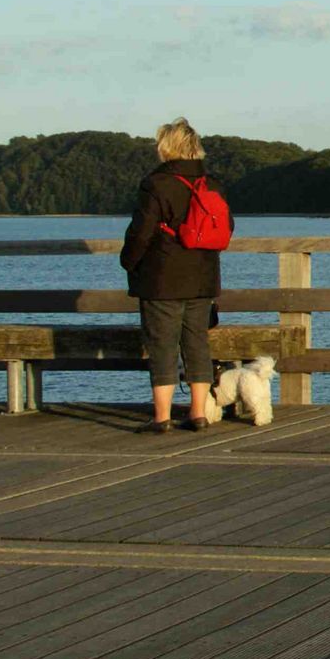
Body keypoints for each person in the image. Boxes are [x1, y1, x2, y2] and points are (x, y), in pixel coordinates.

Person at [120, 118, 232, 433]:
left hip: (161, 277)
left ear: (166, 147)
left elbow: (141, 233)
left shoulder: (155, 184)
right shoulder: (212, 183)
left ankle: (161, 417)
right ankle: (198, 413)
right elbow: (226, 227)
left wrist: (128, 262)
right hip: (202, 275)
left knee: (162, 344)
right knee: (197, 342)